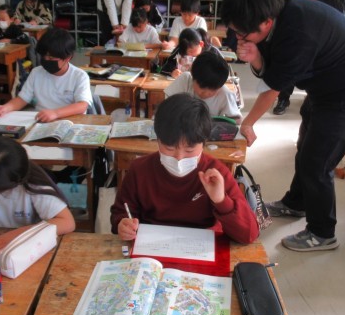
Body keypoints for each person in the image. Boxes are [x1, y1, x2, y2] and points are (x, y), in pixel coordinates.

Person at [221, 0, 345, 252]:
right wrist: (256, 57)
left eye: (242, 32)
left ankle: (323, 232)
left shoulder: (298, 33)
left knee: (317, 161)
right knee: (305, 146)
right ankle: (296, 203)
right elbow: (270, 71)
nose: (238, 37)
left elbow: (273, 88)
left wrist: (247, 123)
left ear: (266, 23)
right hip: (324, 87)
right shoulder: (274, 13)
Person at [110, 93, 258, 244]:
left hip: (201, 247)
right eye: (169, 148)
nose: (179, 157)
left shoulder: (216, 174)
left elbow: (249, 235)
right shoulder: (140, 169)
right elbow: (120, 212)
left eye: (189, 150)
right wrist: (123, 224)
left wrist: (221, 200)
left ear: (203, 143)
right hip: (152, 246)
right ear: (157, 140)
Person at [0, 136, 75, 257]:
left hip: (26, 245)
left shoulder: (35, 187)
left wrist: (16, 235)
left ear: (16, 182)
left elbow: (67, 223)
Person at [0, 27, 92, 123]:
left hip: (70, 121)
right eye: (44, 56)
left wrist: (55, 113)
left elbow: (82, 105)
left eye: (51, 58)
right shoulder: (36, 72)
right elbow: (23, 99)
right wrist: (5, 108)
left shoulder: (79, 76)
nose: (46, 60)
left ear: (67, 58)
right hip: (42, 121)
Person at [165, 52, 241, 122]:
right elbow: (167, 105)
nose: (206, 93)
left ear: (220, 86)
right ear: (193, 76)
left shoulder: (225, 94)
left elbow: (237, 120)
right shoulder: (185, 80)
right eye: (202, 89)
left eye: (212, 91)